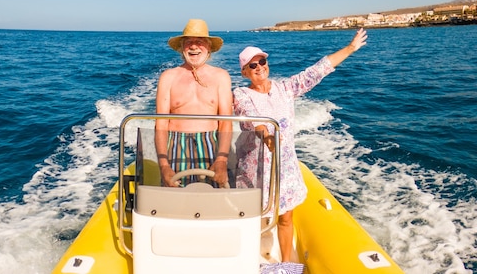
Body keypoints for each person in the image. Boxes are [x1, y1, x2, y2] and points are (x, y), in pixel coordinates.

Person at [233, 28, 368, 262]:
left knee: (286, 219)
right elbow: (252, 118)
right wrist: (267, 136)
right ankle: (246, 262)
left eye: (262, 62)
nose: (259, 68)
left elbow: (317, 71)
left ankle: (285, 265)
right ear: (245, 72)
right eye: (252, 66)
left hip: (285, 169)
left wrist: (350, 48)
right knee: (252, 219)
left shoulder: (285, 88)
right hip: (256, 172)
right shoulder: (241, 94)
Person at [155, 19, 233, 187]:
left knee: (211, 198)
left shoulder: (221, 76)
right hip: (175, 145)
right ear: (182, 47)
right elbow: (161, 123)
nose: (194, 46)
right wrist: (164, 165)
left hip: (211, 144)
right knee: (176, 199)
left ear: (209, 47)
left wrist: (221, 159)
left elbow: (226, 122)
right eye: (189, 42)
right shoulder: (168, 77)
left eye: (200, 42)